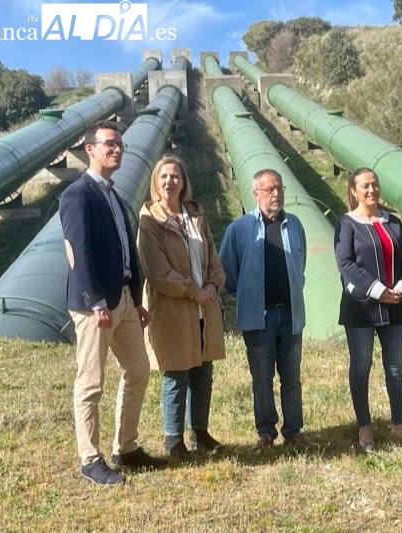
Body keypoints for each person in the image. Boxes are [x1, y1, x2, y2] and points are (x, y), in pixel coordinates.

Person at [59, 121, 167, 486]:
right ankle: (90, 458)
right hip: (97, 305)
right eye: (110, 143)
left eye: (120, 144)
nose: (117, 149)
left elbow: (127, 253)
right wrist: (95, 301)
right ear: (90, 149)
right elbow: (79, 252)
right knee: (91, 381)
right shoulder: (77, 195)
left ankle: (127, 447)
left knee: (138, 369)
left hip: (122, 301)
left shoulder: (115, 197)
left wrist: (135, 300)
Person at [219, 169, 316, 451]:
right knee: (262, 378)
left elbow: (301, 264)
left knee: (292, 378)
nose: (276, 194)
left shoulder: (295, 225)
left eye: (279, 188)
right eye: (269, 189)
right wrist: (246, 297)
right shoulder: (239, 228)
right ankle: (266, 433)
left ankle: (294, 432)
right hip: (258, 319)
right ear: (256, 194)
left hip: (290, 315)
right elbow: (228, 270)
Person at [137, 155, 227, 458]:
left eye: (175, 176)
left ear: (183, 182)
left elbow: (213, 256)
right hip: (174, 308)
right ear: (156, 183)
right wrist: (193, 291)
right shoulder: (150, 219)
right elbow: (158, 271)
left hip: (205, 307)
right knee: (177, 374)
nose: (169, 182)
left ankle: (200, 433)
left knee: (203, 373)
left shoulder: (195, 215)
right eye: (163, 177)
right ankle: (173, 440)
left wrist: (213, 284)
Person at [334, 168, 402, 451]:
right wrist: (378, 290)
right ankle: (365, 425)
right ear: (354, 191)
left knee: (395, 367)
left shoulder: (392, 221)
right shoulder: (346, 224)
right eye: (365, 186)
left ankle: (399, 422)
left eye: (375, 185)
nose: (372, 190)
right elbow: (345, 263)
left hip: (395, 305)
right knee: (361, 366)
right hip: (362, 308)